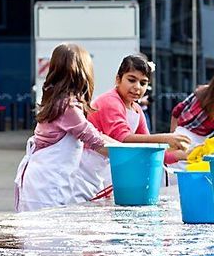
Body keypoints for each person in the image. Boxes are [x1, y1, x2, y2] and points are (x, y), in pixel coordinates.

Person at [72, 54, 189, 201]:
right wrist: (166, 138)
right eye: (131, 80)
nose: (137, 87)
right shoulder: (110, 101)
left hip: (108, 166)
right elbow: (124, 140)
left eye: (143, 83)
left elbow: (149, 149)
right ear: (118, 79)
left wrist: (188, 155)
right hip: (86, 168)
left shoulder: (137, 109)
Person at [14, 43, 116, 211]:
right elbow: (96, 141)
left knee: (38, 234)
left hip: (43, 182)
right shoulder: (67, 107)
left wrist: (123, 147)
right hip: (46, 185)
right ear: (82, 73)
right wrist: (130, 154)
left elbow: (95, 134)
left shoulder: (58, 101)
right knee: (45, 234)